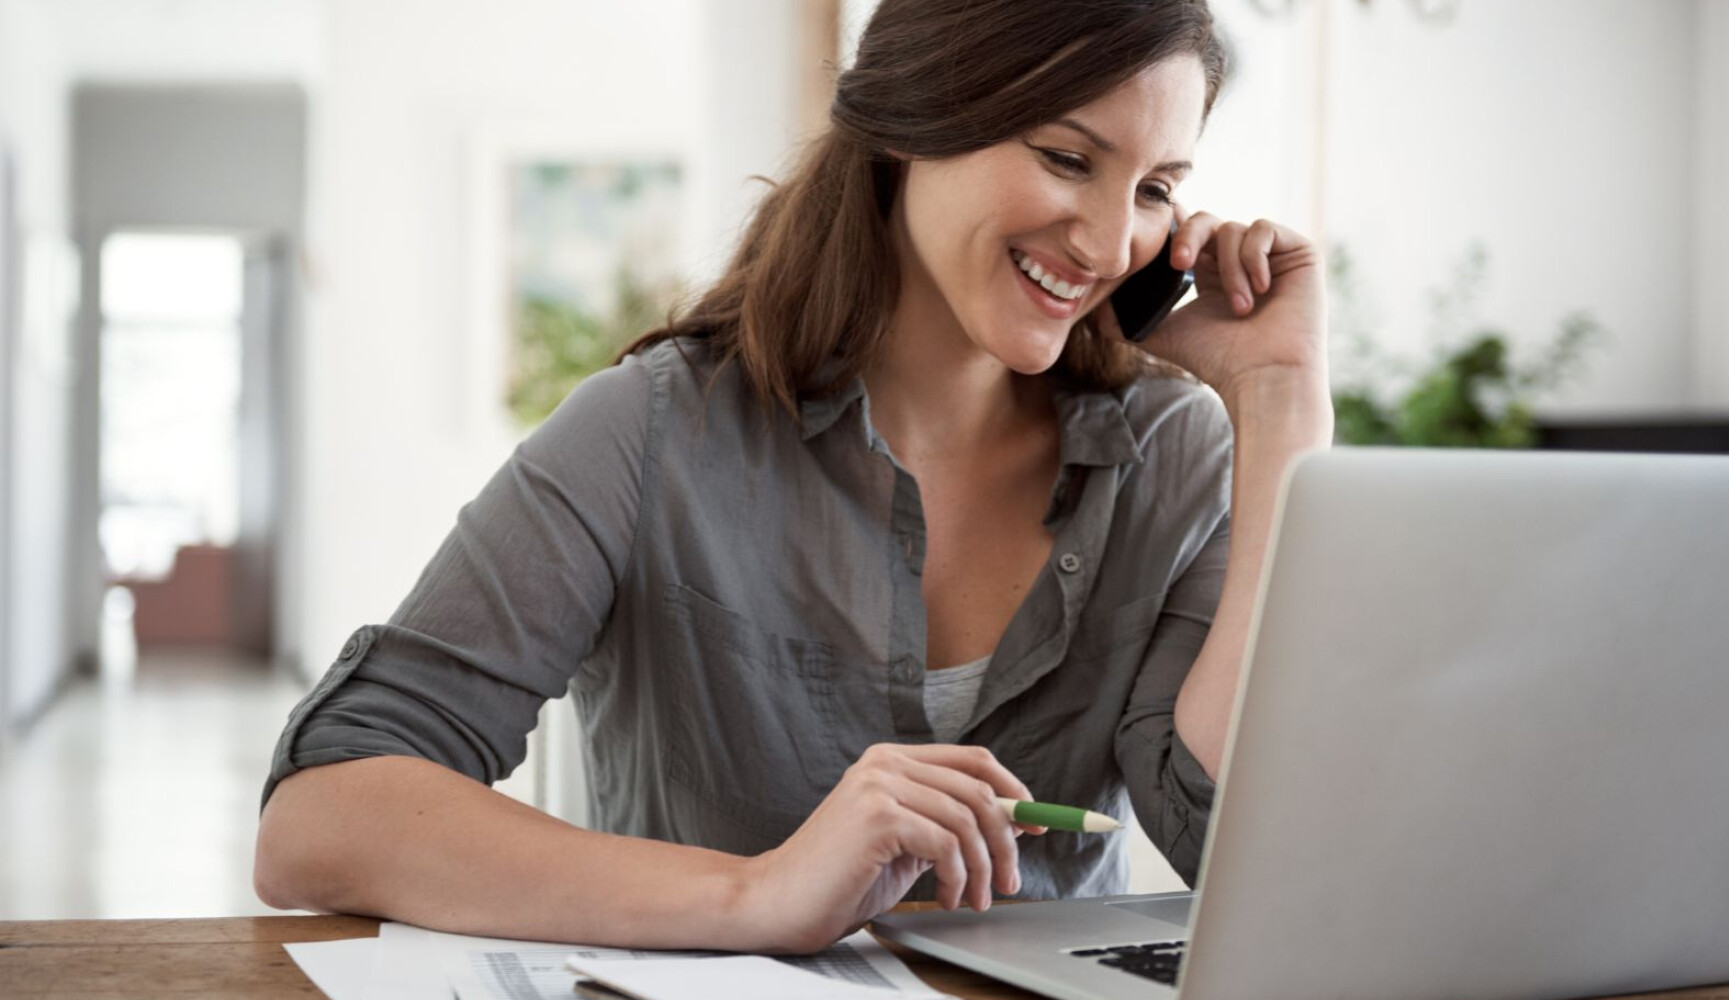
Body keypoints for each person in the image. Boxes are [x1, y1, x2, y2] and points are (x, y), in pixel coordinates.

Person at [254, 0, 1331, 954]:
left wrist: (1280, 395)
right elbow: (323, 817)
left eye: (1155, 187)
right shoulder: (654, 428)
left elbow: (1240, 842)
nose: (1107, 241)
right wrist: (759, 891)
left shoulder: (1175, 453)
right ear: (915, 119)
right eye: (1063, 157)